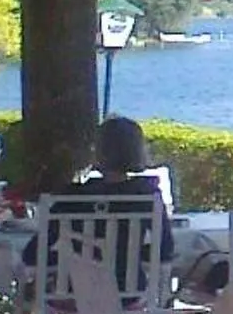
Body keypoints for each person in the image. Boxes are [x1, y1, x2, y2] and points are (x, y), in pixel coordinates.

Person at [24, 118, 176, 279]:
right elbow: (165, 250)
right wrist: (130, 255)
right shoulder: (148, 196)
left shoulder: (72, 198)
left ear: (98, 152)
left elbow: (32, 255)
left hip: (73, 295)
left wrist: (69, 259)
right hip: (127, 296)